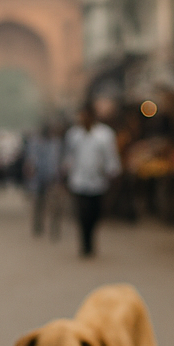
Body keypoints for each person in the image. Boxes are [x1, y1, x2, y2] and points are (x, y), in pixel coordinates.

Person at [64, 104, 120, 257]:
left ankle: (91, 237)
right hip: (79, 181)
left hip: (98, 182)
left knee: (95, 214)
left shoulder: (105, 135)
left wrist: (113, 172)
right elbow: (69, 157)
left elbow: (111, 156)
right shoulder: (74, 135)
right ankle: (85, 244)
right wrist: (65, 172)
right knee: (83, 214)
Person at [24, 122, 64, 239]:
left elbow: (59, 161)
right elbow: (31, 160)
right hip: (38, 179)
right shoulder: (35, 143)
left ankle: (54, 229)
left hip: (53, 179)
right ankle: (38, 226)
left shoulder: (56, 143)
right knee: (38, 204)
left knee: (54, 206)